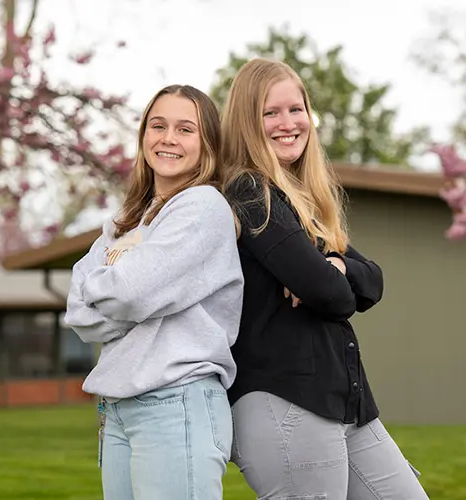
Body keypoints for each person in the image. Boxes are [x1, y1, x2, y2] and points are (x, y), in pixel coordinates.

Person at [220, 58, 429, 500]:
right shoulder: (250, 192)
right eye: (270, 113)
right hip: (285, 401)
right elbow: (333, 297)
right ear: (246, 122)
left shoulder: (304, 203)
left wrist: (335, 265)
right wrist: (329, 276)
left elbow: (371, 280)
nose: (288, 123)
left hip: (345, 403)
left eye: (296, 109)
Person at [64, 84, 244, 500]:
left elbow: (128, 292)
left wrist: (113, 282)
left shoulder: (203, 207)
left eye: (185, 129)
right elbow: (77, 311)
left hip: (175, 403)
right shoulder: (128, 219)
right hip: (118, 410)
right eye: (158, 125)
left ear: (207, 144)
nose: (168, 138)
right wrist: (125, 287)